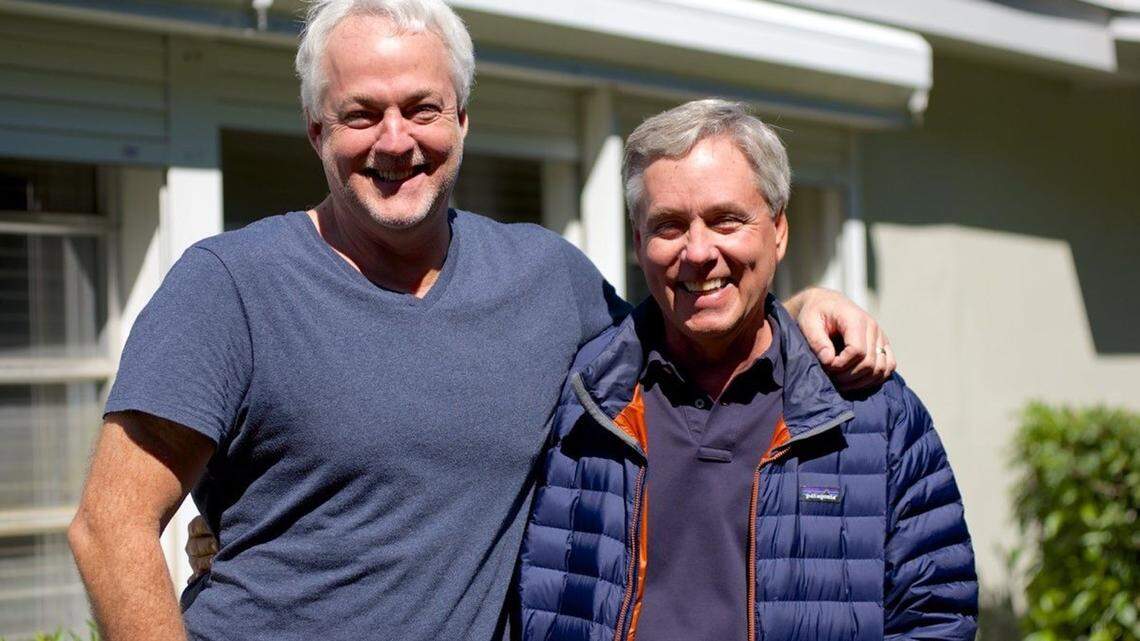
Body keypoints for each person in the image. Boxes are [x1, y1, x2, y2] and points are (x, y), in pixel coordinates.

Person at [67, 1, 895, 640]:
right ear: (317, 131)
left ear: (462, 120)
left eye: (423, 108)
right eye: (361, 114)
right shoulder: (230, 286)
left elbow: (686, 342)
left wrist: (792, 308)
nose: (396, 141)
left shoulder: (548, 280)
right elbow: (110, 527)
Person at [515, 99, 977, 641]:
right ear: (638, 244)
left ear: (778, 231)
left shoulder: (873, 413)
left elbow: (935, 616)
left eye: (725, 220)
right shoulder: (578, 401)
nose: (698, 252)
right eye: (668, 225)